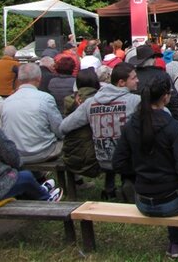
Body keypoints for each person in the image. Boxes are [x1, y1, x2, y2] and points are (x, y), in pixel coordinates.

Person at [113, 76, 178, 259]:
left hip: (142, 199)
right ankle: (177, 243)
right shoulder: (174, 127)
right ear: (166, 97)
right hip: (171, 200)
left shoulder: (131, 125)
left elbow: (119, 162)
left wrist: (139, 172)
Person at [60, 62, 141, 200]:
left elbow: (63, 127)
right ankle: (131, 183)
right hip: (128, 160)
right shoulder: (135, 101)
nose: (138, 80)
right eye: (134, 78)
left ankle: (110, 189)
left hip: (101, 158)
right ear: (121, 82)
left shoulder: (90, 103)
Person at [0, 119, 62, 209]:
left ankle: (40, 189)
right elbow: (9, 154)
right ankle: (46, 198)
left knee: (20, 175)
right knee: (25, 177)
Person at [2, 63, 63, 164]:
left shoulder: (6, 102)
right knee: (69, 141)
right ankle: (76, 178)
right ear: (39, 79)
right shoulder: (45, 99)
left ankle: (39, 178)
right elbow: (59, 129)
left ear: (19, 79)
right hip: (43, 152)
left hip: (16, 154)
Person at [61, 68, 101, 180]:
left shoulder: (69, 100)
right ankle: (109, 187)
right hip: (95, 156)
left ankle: (76, 183)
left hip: (71, 154)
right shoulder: (101, 100)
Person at [131, 44, 178, 120]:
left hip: (137, 119)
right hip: (160, 118)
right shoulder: (162, 75)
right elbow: (175, 102)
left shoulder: (132, 77)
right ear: (153, 59)